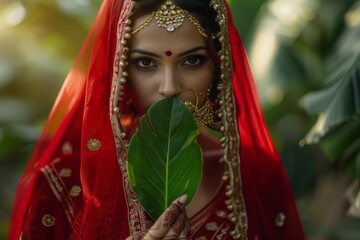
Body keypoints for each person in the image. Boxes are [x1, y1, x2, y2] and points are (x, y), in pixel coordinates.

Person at [9, 0, 305, 239]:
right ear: (120, 72)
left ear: (219, 66)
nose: (169, 87)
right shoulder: (66, 183)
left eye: (192, 60)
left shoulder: (254, 173)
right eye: (145, 63)